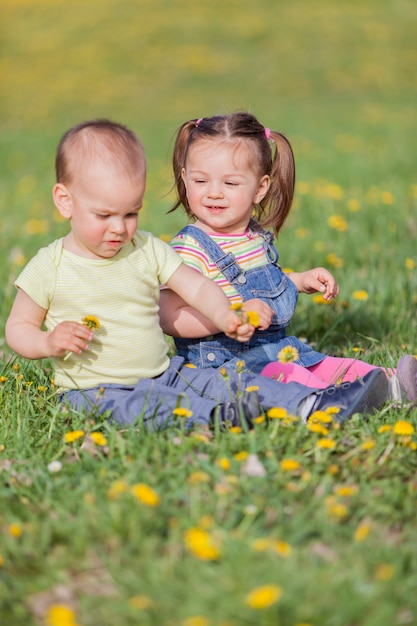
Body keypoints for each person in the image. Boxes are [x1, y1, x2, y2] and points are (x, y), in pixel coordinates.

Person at [4, 119, 389, 429]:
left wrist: (225, 314)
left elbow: (197, 286)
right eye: (104, 215)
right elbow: (17, 328)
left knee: (233, 381)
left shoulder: (147, 249)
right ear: (65, 201)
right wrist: (49, 342)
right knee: (150, 406)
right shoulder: (49, 265)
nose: (120, 228)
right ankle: (220, 418)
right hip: (92, 389)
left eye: (131, 213)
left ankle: (312, 404)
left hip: (163, 371)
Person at [158, 112, 417, 403]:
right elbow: (169, 316)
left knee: (326, 365)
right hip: (225, 365)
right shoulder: (189, 248)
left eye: (230, 184)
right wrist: (230, 317)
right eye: (201, 181)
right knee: (296, 377)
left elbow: (265, 286)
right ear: (184, 178)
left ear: (260, 188)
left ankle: (393, 383)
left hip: (275, 350)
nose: (214, 193)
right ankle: (339, 402)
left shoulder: (253, 237)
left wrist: (298, 281)